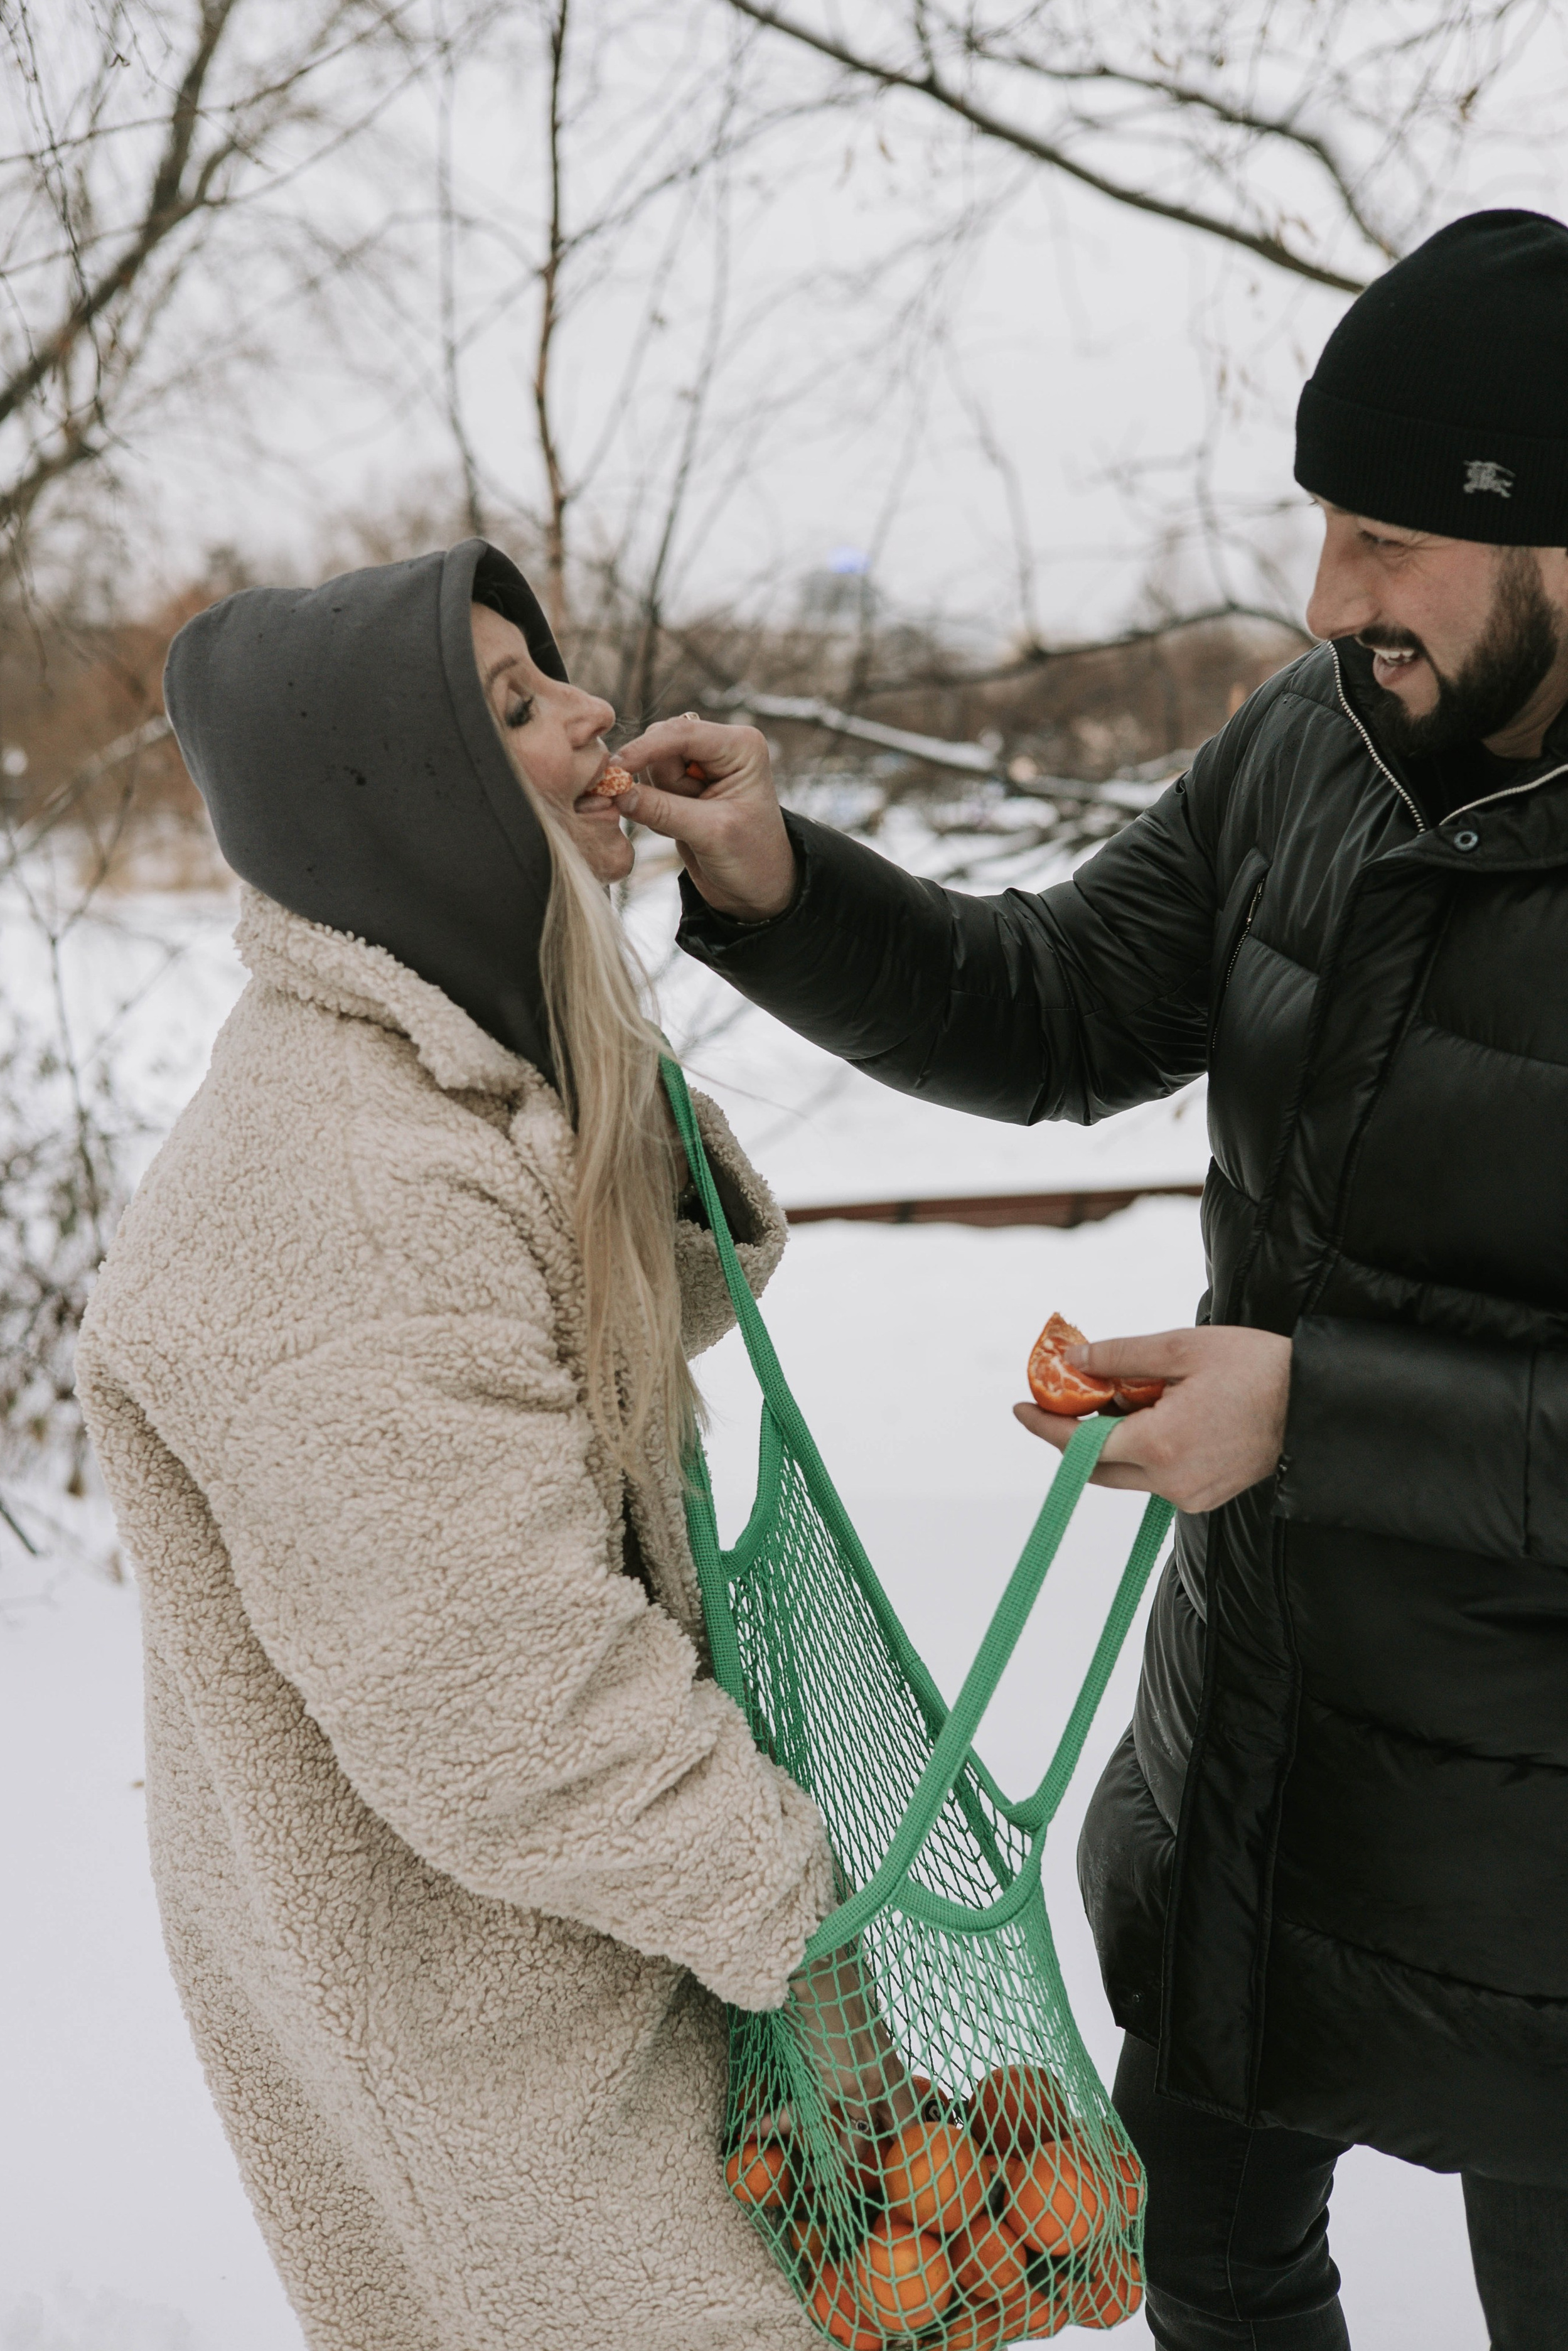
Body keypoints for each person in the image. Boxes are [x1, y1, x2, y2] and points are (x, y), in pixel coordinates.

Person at [614, 209, 1568, 2350]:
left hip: (1542, 1859)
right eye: (1328, 524)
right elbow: (1057, 1002)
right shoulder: (1307, 750)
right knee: (1209, 2276)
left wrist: (1309, 1407)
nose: (1333, 598)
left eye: (1393, 538)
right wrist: (779, 878)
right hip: (1259, 1779)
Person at [74, 542, 842, 2351]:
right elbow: (503, 1703)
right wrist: (796, 1906)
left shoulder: (433, 1077)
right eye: (515, 707)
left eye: (557, 677)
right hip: (502, 2066)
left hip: (560, 1986)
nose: (593, 712)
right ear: (397, 798)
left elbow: (591, 1349)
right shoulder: (341, 1185)